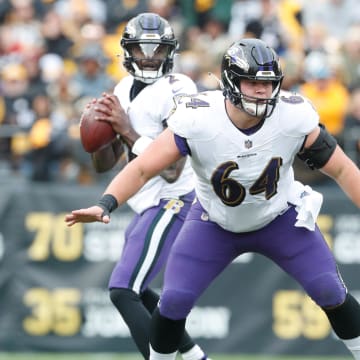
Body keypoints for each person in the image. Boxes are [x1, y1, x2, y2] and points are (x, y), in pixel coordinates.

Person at [65, 38, 360, 359]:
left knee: (329, 289)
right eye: (253, 82)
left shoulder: (293, 115)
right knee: (173, 302)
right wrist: (106, 202)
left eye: (269, 83)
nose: (263, 91)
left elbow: (343, 170)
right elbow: (141, 169)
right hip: (213, 223)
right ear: (232, 80)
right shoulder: (198, 118)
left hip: (279, 217)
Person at [83, 12, 211, 360]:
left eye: (158, 49)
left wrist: (125, 129)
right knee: (141, 293)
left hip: (176, 198)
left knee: (123, 290)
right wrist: (99, 135)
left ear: (170, 52)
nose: (151, 56)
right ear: (128, 51)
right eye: (143, 49)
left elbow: (171, 168)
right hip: (148, 202)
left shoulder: (179, 88)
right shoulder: (123, 89)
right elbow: (104, 164)